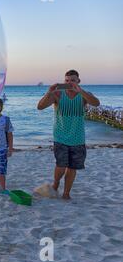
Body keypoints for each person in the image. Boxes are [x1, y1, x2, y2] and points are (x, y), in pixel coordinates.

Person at [37, 70, 100, 200]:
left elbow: (96, 103)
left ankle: (66, 193)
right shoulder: (58, 95)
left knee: (72, 168)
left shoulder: (84, 96)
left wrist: (80, 91)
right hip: (60, 137)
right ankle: (56, 183)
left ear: (78, 81)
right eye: (67, 80)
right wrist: (49, 92)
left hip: (78, 138)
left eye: (72, 80)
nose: (69, 82)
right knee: (61, 165)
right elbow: (40, 107)